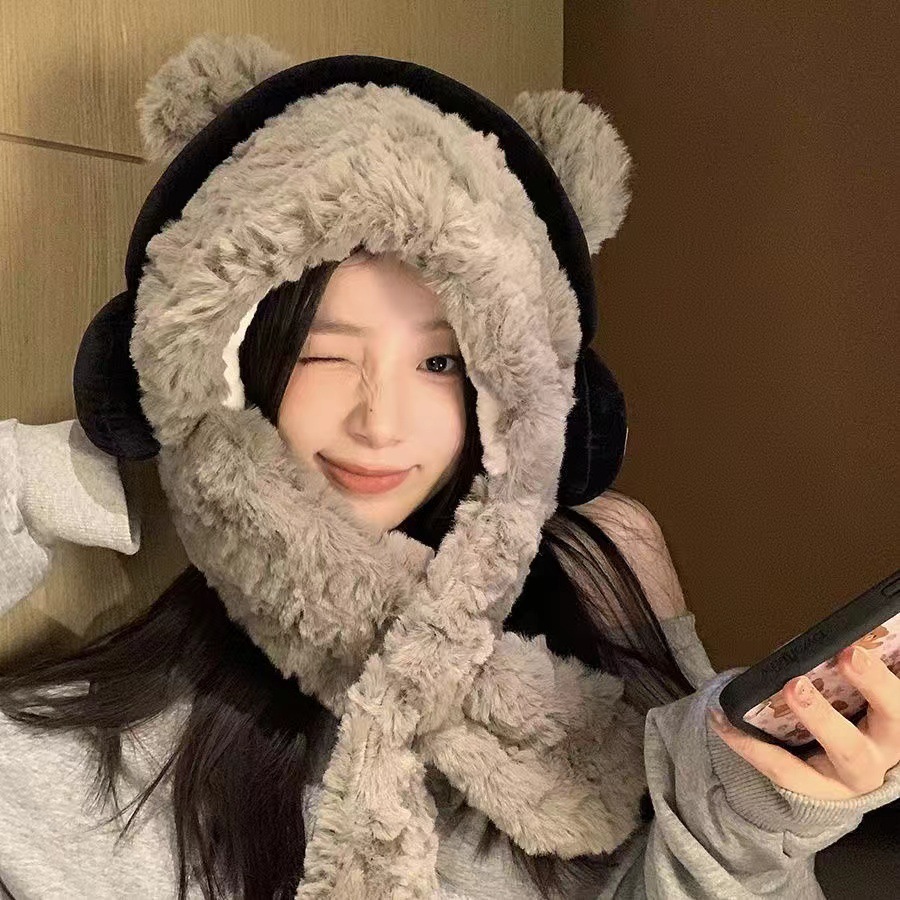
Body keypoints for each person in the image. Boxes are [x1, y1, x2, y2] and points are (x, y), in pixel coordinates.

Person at [1, 34, 898, 900]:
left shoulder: (605, 601)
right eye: (321, 353)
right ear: (217, 373)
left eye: (441, 362)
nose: (381, 421)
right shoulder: (70, 775)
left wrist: (746, 830)